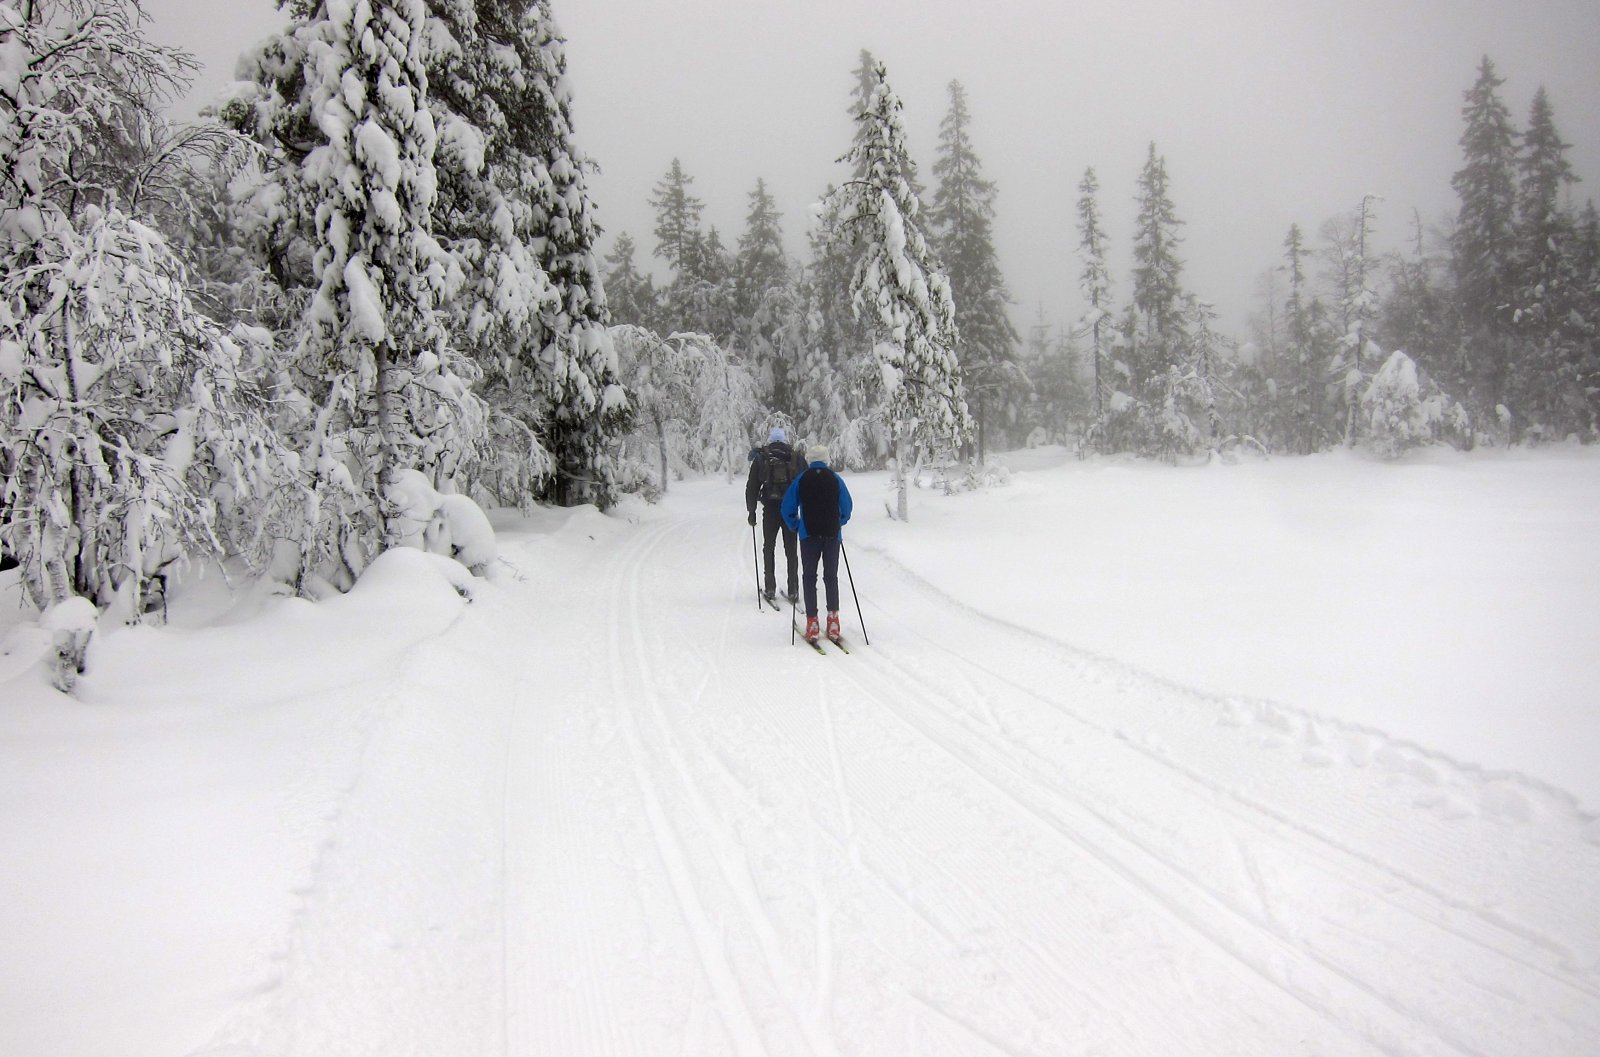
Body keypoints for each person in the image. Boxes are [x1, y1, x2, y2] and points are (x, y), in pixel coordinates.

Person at [780, 444, 853, 643]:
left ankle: (812, 623)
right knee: (831, 577)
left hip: (808, 535)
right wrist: (839, 522)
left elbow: (787, 508)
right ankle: (833, 622)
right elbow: (847, 507)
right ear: (827, 459)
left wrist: (796, 525)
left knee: (809, 577)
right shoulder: (835, 479)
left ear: (810, 459)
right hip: (832, 535)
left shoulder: (801, 479)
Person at [745, 426, 802, 604]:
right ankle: (793, 589)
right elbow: (806, 482)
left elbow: (752, 486)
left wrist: (752, 511)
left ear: (770, 440)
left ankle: (770, 587)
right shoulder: (794, 457)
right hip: (790, 509)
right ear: (784, 440)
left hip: (770, 508)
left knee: (768, 546)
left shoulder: (762, 457)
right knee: (790, 548)